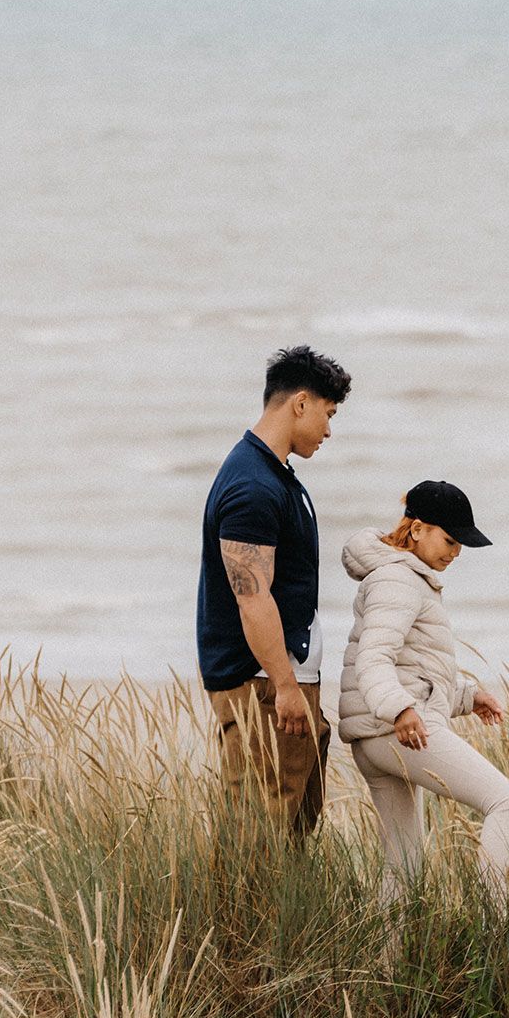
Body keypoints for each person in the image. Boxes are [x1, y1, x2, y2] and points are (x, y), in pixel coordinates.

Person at [337, 480, 509, 903]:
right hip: (395, 730)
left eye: (461, 546)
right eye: (450, 540)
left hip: (379, 734)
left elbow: (414, 668)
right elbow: (374, 659)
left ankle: (383, 967)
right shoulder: (400, 580)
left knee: (403, 868)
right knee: (505, 802)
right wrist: (400, 710)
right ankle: (491, 936)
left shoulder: (404, 577)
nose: (455, 553)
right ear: (417, 529)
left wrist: (466, 696)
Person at [197, 344, 351, 835]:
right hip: (261, 685)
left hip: (283, 682)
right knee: (259, 834)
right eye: (327, 414)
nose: (329, 430)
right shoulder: (252, 486)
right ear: (299, 403)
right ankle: (240, 917)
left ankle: (284, 915)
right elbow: (251, 595)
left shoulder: (275, 476)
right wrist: (284, 685)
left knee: (294, 827)